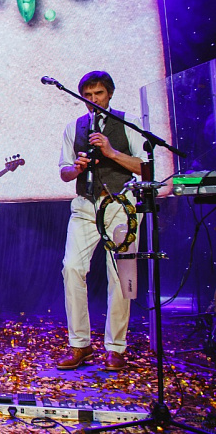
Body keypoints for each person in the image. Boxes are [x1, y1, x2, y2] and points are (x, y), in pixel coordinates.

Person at [56, 71, 146, 371]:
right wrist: (77, 168)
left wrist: (111, 152)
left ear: (110, 94)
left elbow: (145, 168)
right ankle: (80, 343)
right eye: (88, 95)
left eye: (99, 94)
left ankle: (115, 347)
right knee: (72, 268)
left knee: (120, 275)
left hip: (121, 204)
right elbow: (64, 172)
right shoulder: (74, 127)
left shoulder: (129, 122)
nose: (93, 100)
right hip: (85, 204)